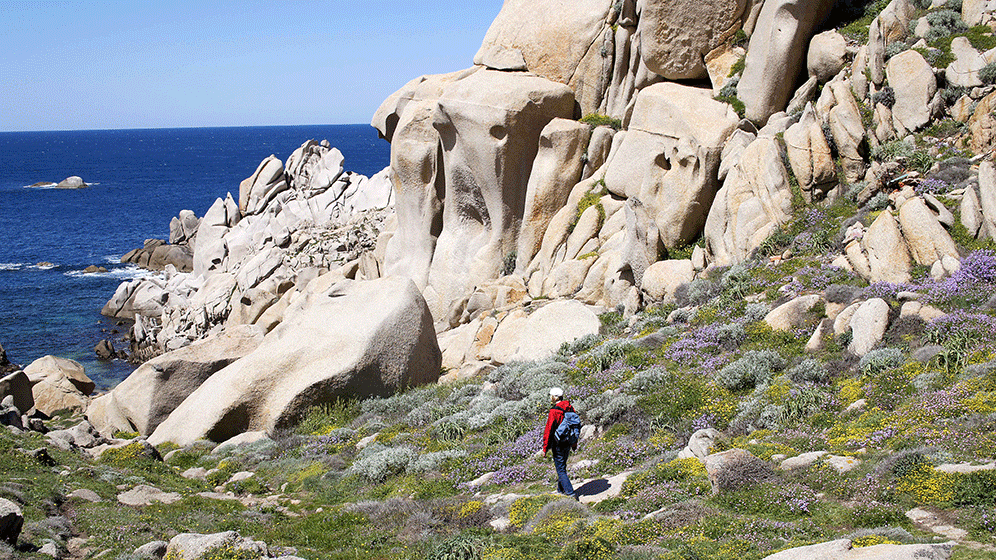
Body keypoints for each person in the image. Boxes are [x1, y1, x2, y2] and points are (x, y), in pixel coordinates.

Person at [543, 387, 578, 499]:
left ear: (555, 397)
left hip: (558, 442)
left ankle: (571, 494)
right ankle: (560, 490)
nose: (550, 397)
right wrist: (574, 443)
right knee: (562, 466)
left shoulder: (554, 411)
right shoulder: (570, 407)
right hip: (568, 441)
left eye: (551, 395)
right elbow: (574, 426)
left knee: (561, 469)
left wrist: (545, 448)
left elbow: (549, 430)